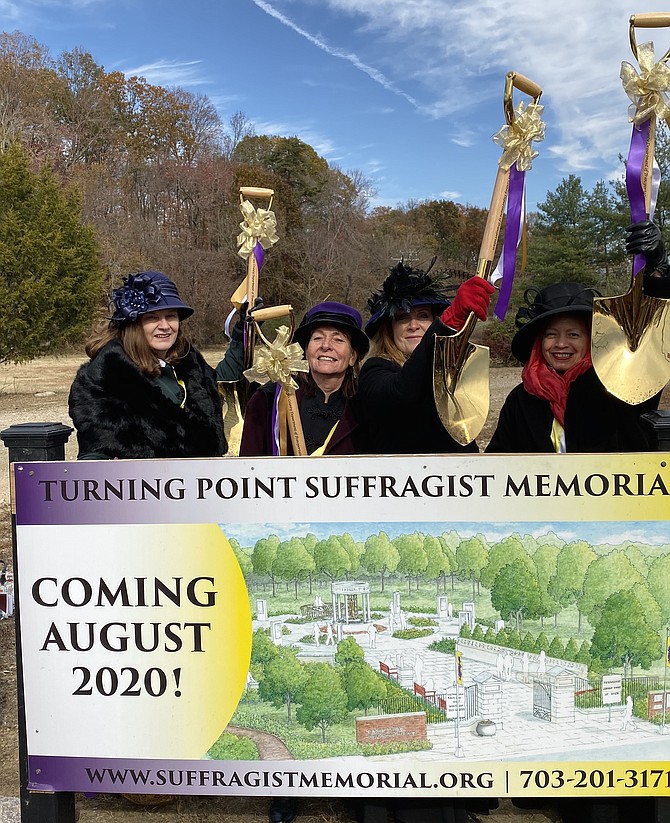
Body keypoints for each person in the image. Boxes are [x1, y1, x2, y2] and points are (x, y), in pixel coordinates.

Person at [486, 222, 670, 454]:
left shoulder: (620, 384)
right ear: (539, 342)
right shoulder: (521, 401)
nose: (561, 344)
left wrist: (658, 271)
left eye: (573, 334)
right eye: (551, 335)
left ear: (591, 340)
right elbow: (498, 464)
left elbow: (652, 340)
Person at [69, 270, 227, 459]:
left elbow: (225, 377)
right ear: (134, 325)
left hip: (197, 484)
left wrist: (243, 333)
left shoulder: (190, 366)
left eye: (171, 316)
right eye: (152, 318)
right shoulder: (102, 381)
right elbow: (95, 462)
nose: (165, 326)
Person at [358, 260, 495, 454]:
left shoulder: (454, 371)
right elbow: (401, 393)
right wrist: (448, 324)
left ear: (433, 321)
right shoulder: (375, 370)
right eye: (402, 317)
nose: (413, 325)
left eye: (423, 316)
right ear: (389, 330)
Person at [240, 301, 369, 457]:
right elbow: (248, 469)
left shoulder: (368, 405)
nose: (326, 345)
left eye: (338, 339)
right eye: (318, 338)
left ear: (353, 357)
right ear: (306, 351)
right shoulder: (268, 400)